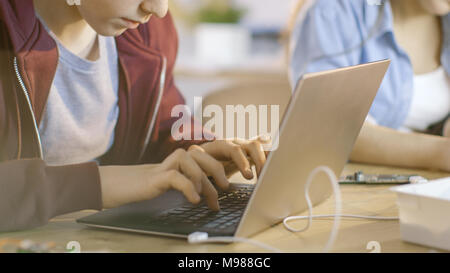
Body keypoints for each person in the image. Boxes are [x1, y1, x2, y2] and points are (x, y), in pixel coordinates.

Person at [0, 0, 268, 232]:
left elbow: (162, 125)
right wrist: (101, 186)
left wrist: (198, 151)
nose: (159, 9)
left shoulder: (146, 32)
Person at [289, 0, 450, 172]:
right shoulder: (333, 11)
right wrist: (439, 152)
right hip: (356, 186)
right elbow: (330, 130)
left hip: (428, 182)